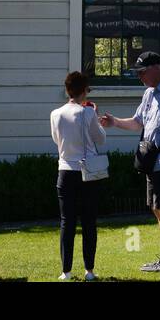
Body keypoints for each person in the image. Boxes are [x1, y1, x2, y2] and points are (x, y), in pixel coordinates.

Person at [100, 52, 160, 273]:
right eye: (137, 73)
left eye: (142, 72)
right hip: (152, 162)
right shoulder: (149, 94)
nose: (139, 76)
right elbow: (136, 123)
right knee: (156, 208)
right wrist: (113, 122)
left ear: (158, 68)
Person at [50, 71, 107, 280]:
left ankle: (66, 271)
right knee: (89, 221)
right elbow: (100, 139)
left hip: (64, 171)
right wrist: (95, 116)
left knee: (67, 222)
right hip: (87, 173)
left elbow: (57, 141)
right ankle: (89, 270)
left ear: (67, 90)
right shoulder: (88, 113)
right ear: (84, 91)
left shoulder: (55, 114)